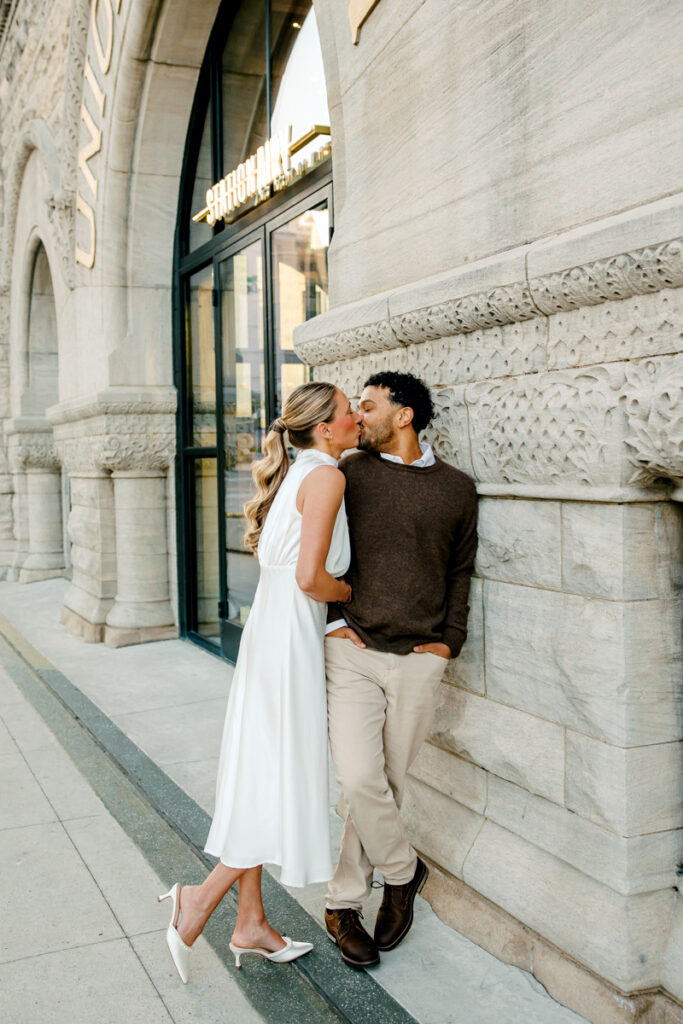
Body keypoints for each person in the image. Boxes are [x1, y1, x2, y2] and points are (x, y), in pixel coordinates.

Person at [158, 381, 361, 982]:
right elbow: (310, 577)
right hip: (290, 640)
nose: (355, 419)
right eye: (349, 411)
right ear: (325, 427)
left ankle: (250, 924)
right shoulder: (327, 476)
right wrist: (347, 595)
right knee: (274, 775)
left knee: (259, 773)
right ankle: (198, 900)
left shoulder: (301, 472)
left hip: (271, 638)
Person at [323, 371, 478, 969]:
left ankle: (342, 904)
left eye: (368, 407)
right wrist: (334, 619)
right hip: (354, 648)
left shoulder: (457, 488)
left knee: (385, 785)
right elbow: (320, 543)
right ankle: (403, 873)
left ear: (405, 415)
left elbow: (461, 571)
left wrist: (449, 642)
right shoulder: (349, 473)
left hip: (420, 658)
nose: (357, 417)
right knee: (361, 779)